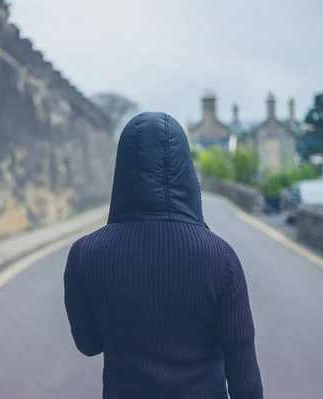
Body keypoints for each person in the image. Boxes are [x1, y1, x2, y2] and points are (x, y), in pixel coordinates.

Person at [64, 112, 263, 398]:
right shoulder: (220, 257)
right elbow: (244, 377)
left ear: (123, 169)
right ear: (186, 169)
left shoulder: (84, 254)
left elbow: (89, 345)